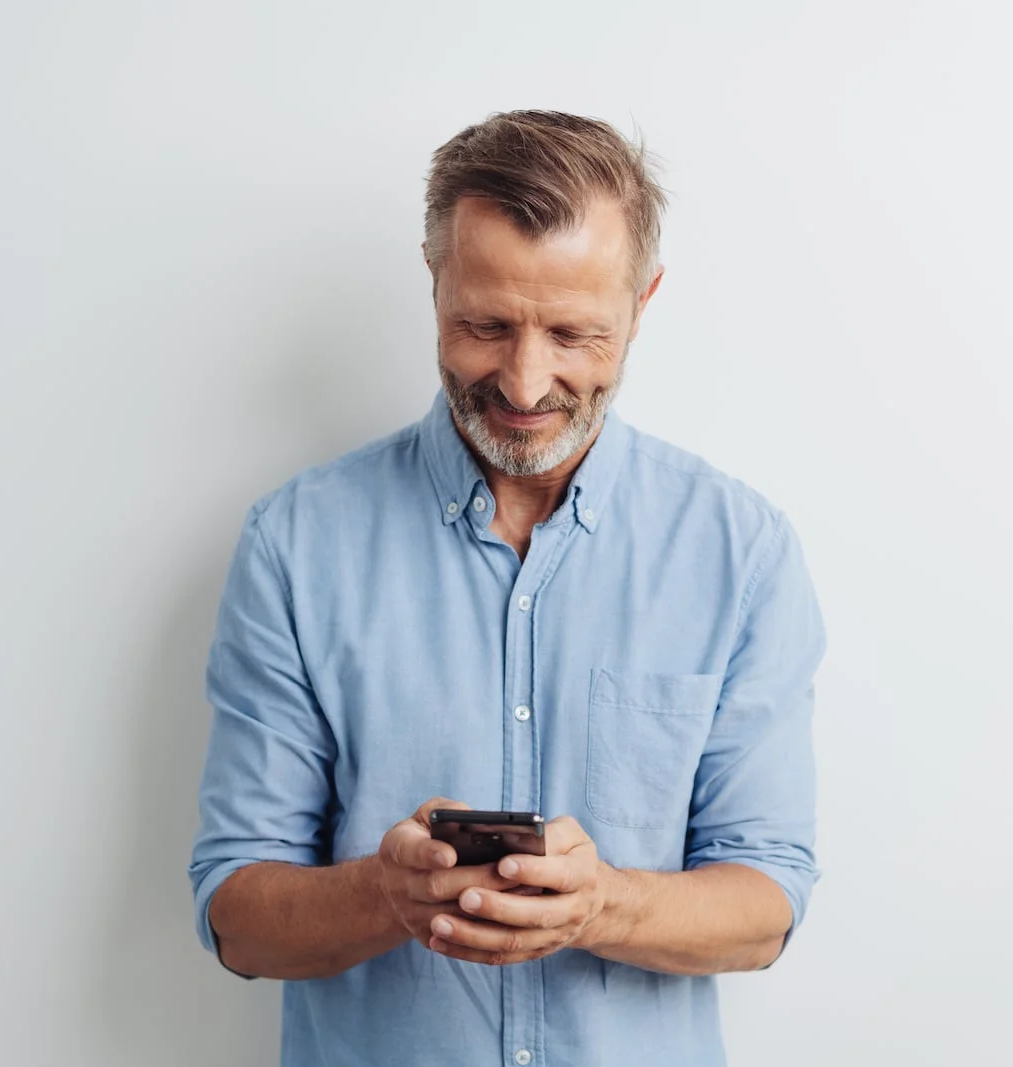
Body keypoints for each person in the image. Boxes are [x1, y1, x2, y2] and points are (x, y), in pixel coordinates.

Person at [188, 109, 826, 1067]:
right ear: (434, 278)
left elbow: (766, 907)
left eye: (574, 333)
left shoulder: (740, 551)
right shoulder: (296, 544)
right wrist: (384, 895)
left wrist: (604, 902)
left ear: (643, 302)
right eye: (486, 325)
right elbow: (238, 915)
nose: (526, 383)